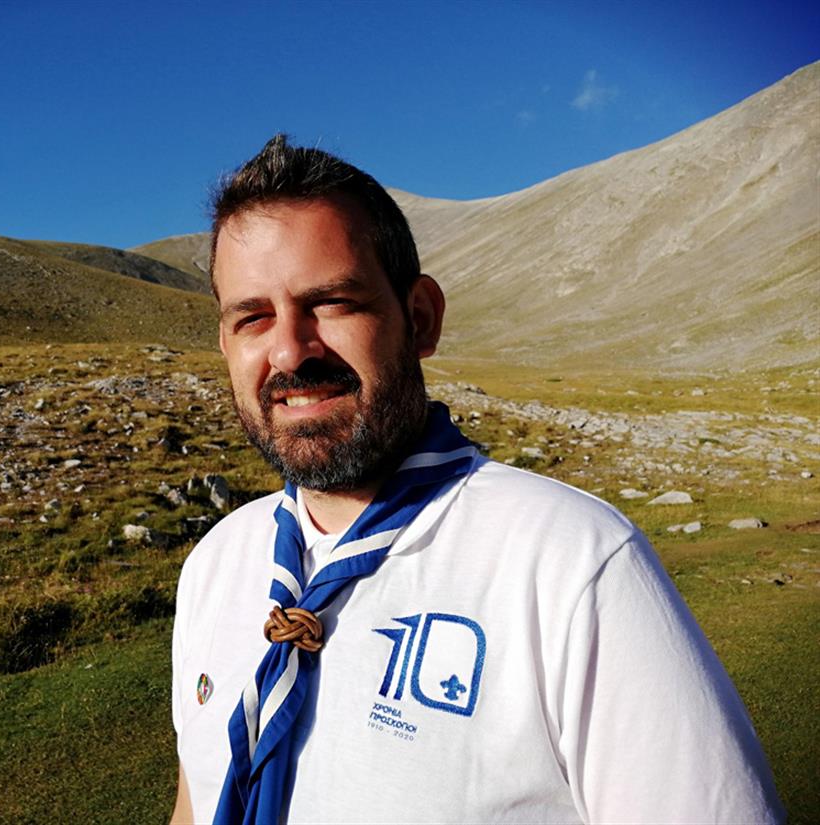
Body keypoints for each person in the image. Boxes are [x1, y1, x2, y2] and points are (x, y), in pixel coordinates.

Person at [170, 134, 783, 824]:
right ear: (226, 344)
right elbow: (196, 801)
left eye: (333, 302)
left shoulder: (572, 561)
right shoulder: (215, 564)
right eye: (252, 317)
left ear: (420, 319)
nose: (289, 350)